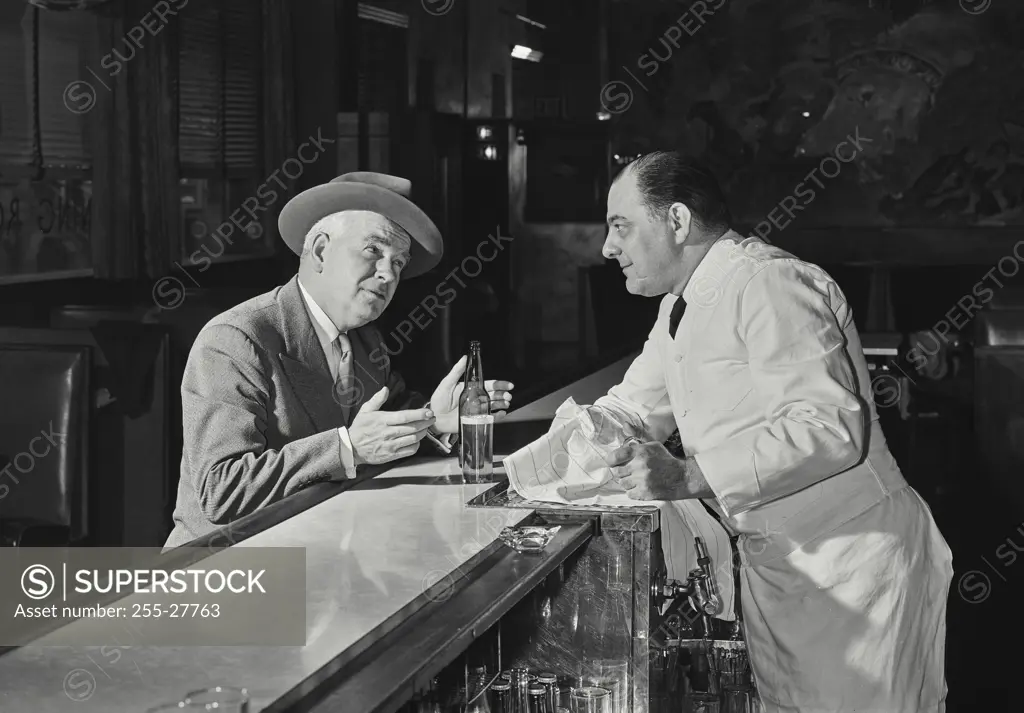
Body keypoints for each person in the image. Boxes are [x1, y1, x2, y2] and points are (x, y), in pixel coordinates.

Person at [596, 151, 952, 712]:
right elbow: (631, 407)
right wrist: (529, 457)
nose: (607, 248)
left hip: (850, 563)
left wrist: (689, 475)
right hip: (778, 567)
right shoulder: (676, 309)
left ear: (679, 222)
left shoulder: (769, 281)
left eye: (621, 227)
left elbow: (829, 426)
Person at [165, 172, 514, 548]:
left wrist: (435, 417)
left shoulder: (364, 339)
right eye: (373, 251)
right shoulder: (234, 339)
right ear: (319, 251)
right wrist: (348, 448)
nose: (388, 274)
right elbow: (223, 490)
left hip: (320, 550)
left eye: (398, 263)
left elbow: (383, 423)